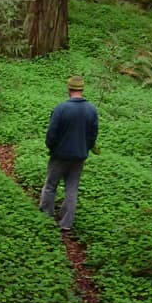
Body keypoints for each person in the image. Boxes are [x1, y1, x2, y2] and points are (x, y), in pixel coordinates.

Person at [39, 75, 98, 231]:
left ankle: (46, 216)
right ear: (82, 89)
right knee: (71, 189)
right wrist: (86, 148)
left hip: (59, 155)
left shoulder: (61, 108)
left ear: (69, 89)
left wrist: (51, 148)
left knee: (51, 186)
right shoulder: (92, 110)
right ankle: (66, 223)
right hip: (79, 157)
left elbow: (52, 134)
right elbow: (93, 135)